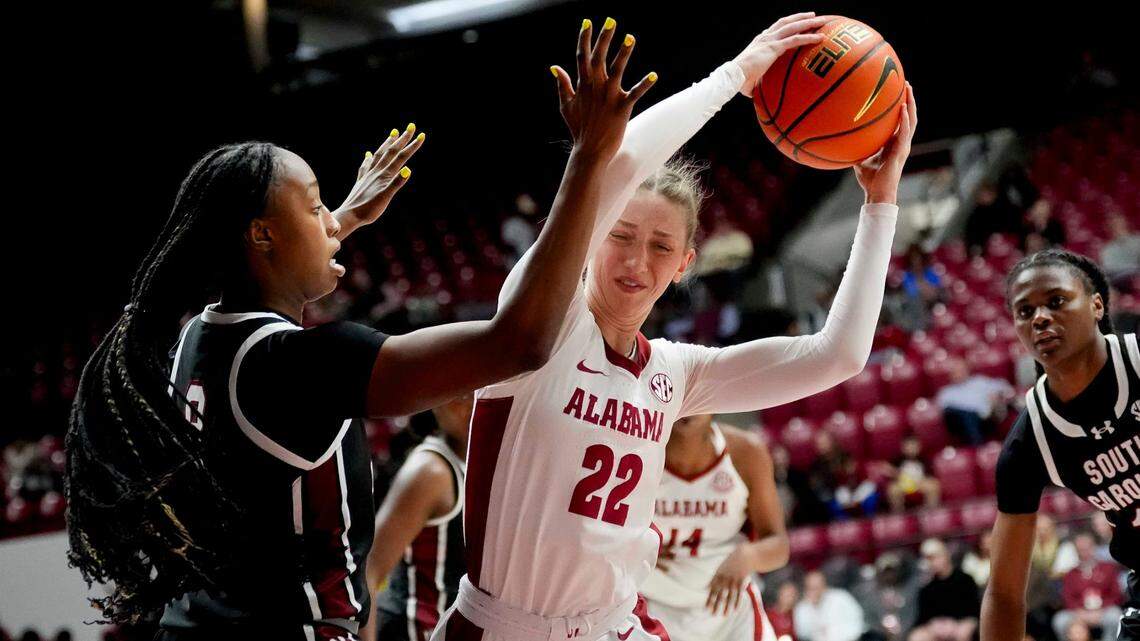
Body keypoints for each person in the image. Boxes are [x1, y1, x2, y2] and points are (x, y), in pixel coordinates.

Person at [65, 38, 643, 638]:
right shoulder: (296, 366)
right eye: (313, 208)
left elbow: (274, 267)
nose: (329, 223)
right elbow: (520, 341)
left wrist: (343, 216)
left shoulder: (195, 338)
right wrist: (589, 157)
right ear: (262, 237)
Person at [431, 12, 916, 641]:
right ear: (592, 234)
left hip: (616, 628)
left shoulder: (674, 375)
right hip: (503, 628)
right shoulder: (538, 321)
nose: (637, 261)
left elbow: (839, 355)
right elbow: (618, 166)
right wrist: (734, 78)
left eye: (661, 247)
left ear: (686, 264)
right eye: (621, 236)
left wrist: (880, 201)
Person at [981, 248, 1140, 641]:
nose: (1040, 317)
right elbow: (1004, 594)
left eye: (1056, 301)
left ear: (1097, 305)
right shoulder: (1029, 443)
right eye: (1025, 311)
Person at [642, 414, 785, 641]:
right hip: (651, 606)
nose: (691, 407)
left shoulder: (745, 451)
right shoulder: (640, 449)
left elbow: (779, 546)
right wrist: (633, 545)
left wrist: (748, 556)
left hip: (730, 609)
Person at [360, 394, 473, 641]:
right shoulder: (432, 470)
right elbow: (370, 568)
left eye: (479, 387)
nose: (469, 401)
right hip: (408, 630)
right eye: (458, 392)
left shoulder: (487, 467)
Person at [1053, 532, 1126, 641]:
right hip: (1079, 612)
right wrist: (1080, 612)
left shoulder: (1108, 568)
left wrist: (1100, 610)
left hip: (1104, 611)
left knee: (1115, 617)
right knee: (1060, 620)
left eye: (1087, 548)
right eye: (1080, 549)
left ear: (1094, 547)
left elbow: (1116, 594)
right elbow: (1068, 598)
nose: (1084, 552)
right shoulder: (1071, 574)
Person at [908, 539, 980, 641]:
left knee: (963, 633)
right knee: (917, 637)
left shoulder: (965, 580)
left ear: (945, 555)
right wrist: (933, 625)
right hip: (936, 626)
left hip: (961, 622)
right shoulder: (927, 586)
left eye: (934, 557)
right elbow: (923, 616)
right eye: (927, 559)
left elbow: (973, 611)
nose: (931, 562)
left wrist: (954, 624)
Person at [793, 571, 866, 641]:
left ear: (824, 585)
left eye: (817, 587)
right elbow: (802, 633)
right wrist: (812, 608)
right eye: (810, 587)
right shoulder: (802, 607)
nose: (814, 591)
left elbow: (858, 620)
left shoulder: (841, 597)